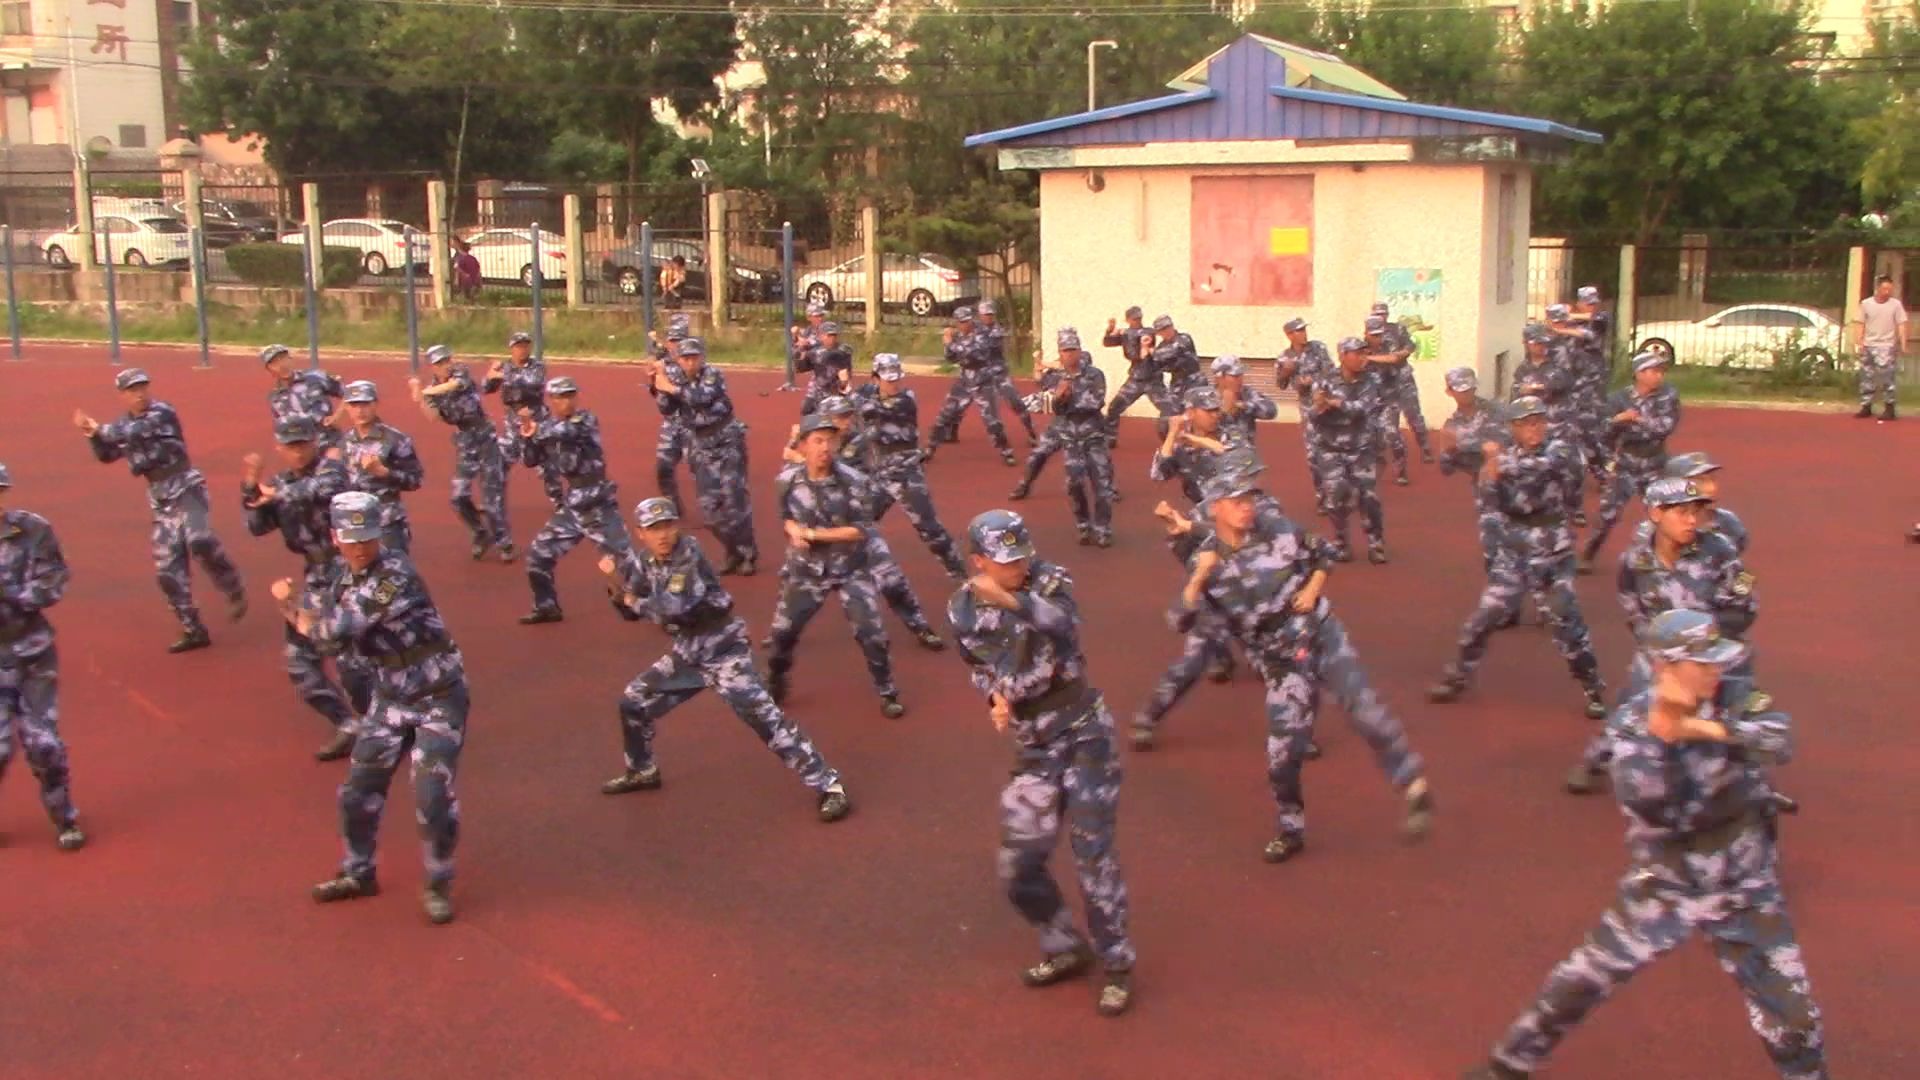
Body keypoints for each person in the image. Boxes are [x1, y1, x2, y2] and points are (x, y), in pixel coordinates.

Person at [1462, 610, 1825, 1080]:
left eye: (1717, 661)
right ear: (1663, 667)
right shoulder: (1632, 732)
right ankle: (1508, 1066)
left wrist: (1703, 729)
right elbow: (1660, 813)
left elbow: (1780, 739)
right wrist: (1666, 740)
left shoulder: (1732, 694)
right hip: (1668, 881)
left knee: (1795, 1017)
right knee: (1583, 978)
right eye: (1703, 663)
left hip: (1745, 882)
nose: (1716, 671)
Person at [1173, 463, 1433, 862]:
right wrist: (1196, 580)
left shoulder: (1278, 530)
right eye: (1238, 502)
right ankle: (1290, 827)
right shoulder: (1206, 564)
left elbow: (1323, 554)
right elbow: (1180, 620)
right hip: (1279, 663)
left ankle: (1413, 786)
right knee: (1283, 756)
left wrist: (1312, 588)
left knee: (1363, 709)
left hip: (1321, 635)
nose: (1249, 508)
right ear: (1215, 509)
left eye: (1251, 499)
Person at [947, 509, 1135, 1017]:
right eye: (1006, 562)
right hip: (1035, 746)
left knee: (1094, 856)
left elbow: (1065, 626)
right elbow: (978, 668)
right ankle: (1063, 945)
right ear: (979, 560)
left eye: (1022, 555)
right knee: (1018, 865)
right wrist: (995, 698)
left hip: (1084, 732)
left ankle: (1116, 963)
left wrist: (1011, 598)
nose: (1019, 567)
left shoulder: (1050, 581)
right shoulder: (962, 610)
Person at [597, 498, 852, 821]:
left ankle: (829, 785)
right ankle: (641, 769)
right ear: (640, 533)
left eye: (667, 526)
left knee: (765, 719)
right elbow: (630, 612)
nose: (663, 535)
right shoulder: (645, 561)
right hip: (689, 651)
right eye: (653, 529)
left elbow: (673, 607)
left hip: (723, 649)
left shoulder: (687, 553)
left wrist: (634, 600)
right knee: (633, 701)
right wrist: (613, 586)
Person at [284, 491, 469, 926]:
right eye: (352, 538)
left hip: (436, 694)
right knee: (357, 791)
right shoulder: (339, 578)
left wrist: (293, 609)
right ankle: (358, 870)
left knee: (431, 795)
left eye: (368, 536)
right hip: (390, 698)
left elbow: (335, 630)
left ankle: (439, 879)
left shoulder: (395, 574)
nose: (361, 546)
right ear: (335, 537)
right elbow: (333, 638)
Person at [1428, 397, 1608, 719]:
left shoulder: (1561, 449)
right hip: (1514, 552)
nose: (1534, 428)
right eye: (1525, 423)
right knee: (1482, 618)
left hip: (1552, 551)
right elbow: (1488, 496)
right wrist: (1468, 457)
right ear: (1513, 428)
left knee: (1565, 621)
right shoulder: (1502, 456)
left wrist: (1492, 459)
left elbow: (1543, 468)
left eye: (1538, 421)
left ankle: (1593, 686)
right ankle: (1459, 673)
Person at [75, 368, 247, 653]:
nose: (140, 394)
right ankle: (193, 629)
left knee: (199, 539)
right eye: (133, 390)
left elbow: (133, 432)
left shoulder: (161, 412)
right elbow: (107, 454)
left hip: (186, 486)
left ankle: (232, 586)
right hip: (160, 497)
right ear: (122, 395)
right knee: (168, 570)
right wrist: (92, 436)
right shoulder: (121, 425)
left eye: (143, 387)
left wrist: (99, 430)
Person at [780, 397, 946, 652]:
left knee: (892, 580)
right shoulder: (809, 445)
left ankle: (920, 626)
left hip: (856, 529)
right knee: (793, 578)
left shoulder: (859, 441)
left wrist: (798, 453)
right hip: (820, 530)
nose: (845, 422)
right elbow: (789, 469)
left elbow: (831, 468)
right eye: (838, 417)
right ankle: (781, 632)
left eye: (847, 416)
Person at [765, 415, 904, 718]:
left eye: (831, 440)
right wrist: (792, 531)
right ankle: (776, 680)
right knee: (781, 635)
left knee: (872, 633)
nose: (825, 447)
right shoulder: (786, 481)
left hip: (850, 568)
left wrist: (812, 534)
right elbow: (785, 517)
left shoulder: (854, 481)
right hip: (805, 571)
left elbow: (860, 530)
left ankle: (887, 690)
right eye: (818, 440)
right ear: (802, 445)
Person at [242, 417, 358, 761]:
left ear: (314, 443)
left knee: (358, 648)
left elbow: (324, 492)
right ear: (279, 448)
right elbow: (257, 526)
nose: (297, 451)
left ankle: (394, 718)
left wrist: (276, 493)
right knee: (299, 657)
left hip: (349, 567)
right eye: (290, 446)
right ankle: (347, 723)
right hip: (315, 572)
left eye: (303, 444)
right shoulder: (279, 483)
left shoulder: (331, 470)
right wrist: (250, 487)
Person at [0, 463, 85, 851]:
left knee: (43, 745)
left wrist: (13, 594)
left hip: (32, 653)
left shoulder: (32, 531)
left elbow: (53, 582)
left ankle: (64, 818)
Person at [513, 378, 633, 625]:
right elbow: (530, 460)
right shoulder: (548, 427)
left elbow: (566, 432)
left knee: (628, 562)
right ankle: (546, 606)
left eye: (570, 396)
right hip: (574, 506)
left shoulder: (584, 420)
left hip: (598, 503)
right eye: (559, 397)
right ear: (551, 400)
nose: (566, 401)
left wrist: (535, 429)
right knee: (538, 555)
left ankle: (667, 609)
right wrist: (526, 434)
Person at [645, 338, 758, 575]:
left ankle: (747, 553)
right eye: (685, 358)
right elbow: (666, 408)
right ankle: (732, 550)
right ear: (679, 360)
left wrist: (670, 386)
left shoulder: (712, 375)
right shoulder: (674, 379)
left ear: (702, 357)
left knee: (735, 501)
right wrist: (655, 383)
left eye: (694, 357)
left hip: (727, 441)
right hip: (700, 445)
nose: (690, 362)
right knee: (709, 511)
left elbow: (700, 398)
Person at [855, 353, 967, 578]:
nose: (894, 383)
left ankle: (960, 573)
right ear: (875, 379)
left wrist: (846, 390)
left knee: (929, 528)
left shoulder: (906, 400)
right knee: (859, 521)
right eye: (888, 379)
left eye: (897, 378)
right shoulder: (869, 393)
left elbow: (868, 409)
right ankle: (851, 568)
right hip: (880, 475)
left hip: (907, 474)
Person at [410, 345, 512, 562]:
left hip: (485, 436)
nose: (444, 366)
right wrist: (419, 398)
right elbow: (433, 417)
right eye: (438, 363)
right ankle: (479, 532)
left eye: (446, 360)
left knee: (492, 496)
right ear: (431, 367)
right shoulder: (433, 389)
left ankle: (504, 542)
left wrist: (424, 392)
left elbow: (454, 385)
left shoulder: (460, 372)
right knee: (458, 496)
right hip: (465, 440)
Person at [1012, 328, 1115, 546]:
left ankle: (1103, 528)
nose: (1070, 354)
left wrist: (1068, 398)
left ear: (1080, 351)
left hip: (1093, 435)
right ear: (1060, 353)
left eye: (1073, 350)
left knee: (1103, 485)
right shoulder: (1054, 377)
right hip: (1068, 437)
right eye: (1065, 351)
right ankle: (1083, 525)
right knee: (1074, 484)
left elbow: (1095, 402)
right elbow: (1050, 404)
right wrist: (1058, 399)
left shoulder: (1094, 374)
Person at [1579, 350, 1680, 571]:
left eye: (1661, 371)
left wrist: (1637, 420)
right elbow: (1600, 431)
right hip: (1626, 463)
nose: (1659, 376)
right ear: (1639, 373)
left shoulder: (1668, 395)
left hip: (1654, 462)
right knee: (1607, 514)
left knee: (1661, 513)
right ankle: (1588, 553)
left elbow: (1665, 427)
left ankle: (1665, 557)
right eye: (1653, 371)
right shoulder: (1619, 399)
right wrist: (1618, 420)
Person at [1312, 338, 1388, 563]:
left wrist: (1335, 404)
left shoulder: (1372, 380)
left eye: (1365, 353)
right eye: (1357, 353)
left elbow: (1363, 409)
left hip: (1361, 448)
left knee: (1369, 498)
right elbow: (1313, 414)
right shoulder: (1324, 380)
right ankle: (1341, 541)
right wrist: (1321, 407)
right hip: (1331, 449)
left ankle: (1376, 542)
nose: (1363, 358)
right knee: (1335, 498)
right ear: (1343, 355)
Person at [1431, 367, 1510, 574]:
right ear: (1450, 392)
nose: (1466, 394)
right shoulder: (1452, 424)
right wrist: (1447, 451)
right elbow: (1446, 468)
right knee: (1491, 531)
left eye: (1469, 389)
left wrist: (1460, 443)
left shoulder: (1497, 410)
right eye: (1460, 390)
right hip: (1484, 486)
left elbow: (1499, 443)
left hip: (1514, 478)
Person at [339, 380, 425, 554]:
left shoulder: (395, 439)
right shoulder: (344, 441)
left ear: (376, 404)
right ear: (347, 407)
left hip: (386, 522)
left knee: (393, 575)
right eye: (354, 405)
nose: (360, 411)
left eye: (365, 404)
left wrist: (385, 473)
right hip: (353, 523)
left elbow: (415, 480)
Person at [928, 307, 1017, 466]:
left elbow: (972, 352)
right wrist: (947, 346)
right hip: (965, 380)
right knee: (945, 414)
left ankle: (1006, 452)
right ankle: (930, 448)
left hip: (983, 380)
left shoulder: (982, 333)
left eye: (967, 321)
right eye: (962, 322)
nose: (965, 325)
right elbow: (951, 358)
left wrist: (949, 344)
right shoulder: (958, 335)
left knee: (992, 420)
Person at [485, 331, 564, 512]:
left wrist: (500, 375)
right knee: (498, 462)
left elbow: (531, 383)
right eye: (519, 346)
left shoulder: (537, 366)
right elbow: (487, 386)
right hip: (513, 423)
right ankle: (494, 502)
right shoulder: (504, 367)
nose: (523, 349)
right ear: (511, 348)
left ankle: (559, 501)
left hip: (538, 421)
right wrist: (491, 375)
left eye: (526, 345)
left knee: (548, 463)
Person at [1364, 305, 1431, 478]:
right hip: (1378, 395)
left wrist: (1370, 358)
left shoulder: (1396, 331)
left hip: (1401, 383)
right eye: (1377, 315)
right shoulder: (1361, 346)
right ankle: (1386, 466)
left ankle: (1423, 447)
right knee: (1382, 433)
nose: (1381, 317)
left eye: (1383, 314)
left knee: (1414, 418)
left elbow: (1398, 355)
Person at [1275, 316, 1334, 513]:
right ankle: (1322, 496)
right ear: (1289, 335)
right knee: (1313, 456)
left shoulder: (1318, 348)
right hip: (1309, 411)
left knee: (1335, 450)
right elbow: (1281, 385)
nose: (1303, 334)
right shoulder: (1284, 357)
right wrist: (1286, 371)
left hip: (1328, 406)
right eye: (1299, 331)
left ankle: (1338, 492)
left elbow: (1331, 372)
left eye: (1304, 329)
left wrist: (1313, 381)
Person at [1151, 386, 1239, 506]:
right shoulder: (1181, 445)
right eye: (1209, 410)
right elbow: (1158, 475)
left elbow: (1221, 449)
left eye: (1217, 409)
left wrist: (1190, 437)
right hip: (1205, 508)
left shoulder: (1230, 432)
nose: (1215, 415)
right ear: (1190, 412)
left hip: (1236, 504)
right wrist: (1171, 434)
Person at [1102, 305, 1171, 448]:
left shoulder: (1145, 332)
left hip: (1153, 379)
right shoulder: (1127, 332)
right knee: (1115, 407)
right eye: (1134, 318)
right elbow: (1107, 343)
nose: (1137, 320)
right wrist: (1110, 329)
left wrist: (1121, 333)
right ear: (1128, 319)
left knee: (1169, 409)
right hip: (1136, 379)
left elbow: (1136, 349)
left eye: (1138, 318)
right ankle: (1110, 438)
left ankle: (1171, 440)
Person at [646, 313, 694, 511]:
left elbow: (686, 391)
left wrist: (663, 376)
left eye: (679, 341)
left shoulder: (693, 363)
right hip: (672, 422)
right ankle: (673, 505)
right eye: (672, 341)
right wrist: (653, 380)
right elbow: (662, 401)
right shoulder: (663, 362)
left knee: (702, 471)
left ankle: (718, 509)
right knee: (663, 467)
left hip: (694, 424)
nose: (675, 345)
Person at [260, 343, 344, 450]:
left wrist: (337, 416)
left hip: (330, 443)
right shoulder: (275, 398)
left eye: (283, 359)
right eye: (275, 363)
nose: (282, 365)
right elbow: (282, 428)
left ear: (291, 359)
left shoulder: (314, 377)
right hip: (304, 452)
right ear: (269, 370)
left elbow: (348, 392)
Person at [977, 300, 1038, 442]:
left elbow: (984, 347)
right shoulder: (975, 330)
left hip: (999, 374)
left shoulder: (996, 331)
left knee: (1015, 401)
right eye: (986, 314)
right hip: (980, 375)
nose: (989, 317)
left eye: (991, 314)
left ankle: (1030, 430)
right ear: (980, 315)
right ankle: (951, 429)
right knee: (959, 399)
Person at [1853, 273, 1906, 420]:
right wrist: (1859, 341)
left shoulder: (1895, 305)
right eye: (1884, 289)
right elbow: (1860, 323)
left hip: (1886, 345)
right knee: (1866, 375)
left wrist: (1902, 343)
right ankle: (1866, 405)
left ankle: (1889, 407)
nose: (1887, 292)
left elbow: (1901, 324)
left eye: (1889, 289)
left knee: (1887, 377)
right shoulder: (1866, 304)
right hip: (1869, 344)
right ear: (1877, 288)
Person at [1211, 355, 1277, 445]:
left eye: (1241, 374)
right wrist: (1222, 410)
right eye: (1235, 376)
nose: (1240, 379)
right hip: (1216, 453)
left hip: (1245, 452)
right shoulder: (1207, 396)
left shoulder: (1247, 393)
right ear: (1219, 377)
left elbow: (1271, 411)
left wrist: (1241, 405)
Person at [796, 320, 854, 417]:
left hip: (837, 390)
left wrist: (810, 347)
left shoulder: (843, 350)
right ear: (821, 336)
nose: (832, 338)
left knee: (840, 415)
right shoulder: (815, 351)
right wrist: (802, 351)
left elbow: (834, 355)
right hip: (819, 390)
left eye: (834, 335)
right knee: (806, 410)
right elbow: (800, 368)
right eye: (829, 335)